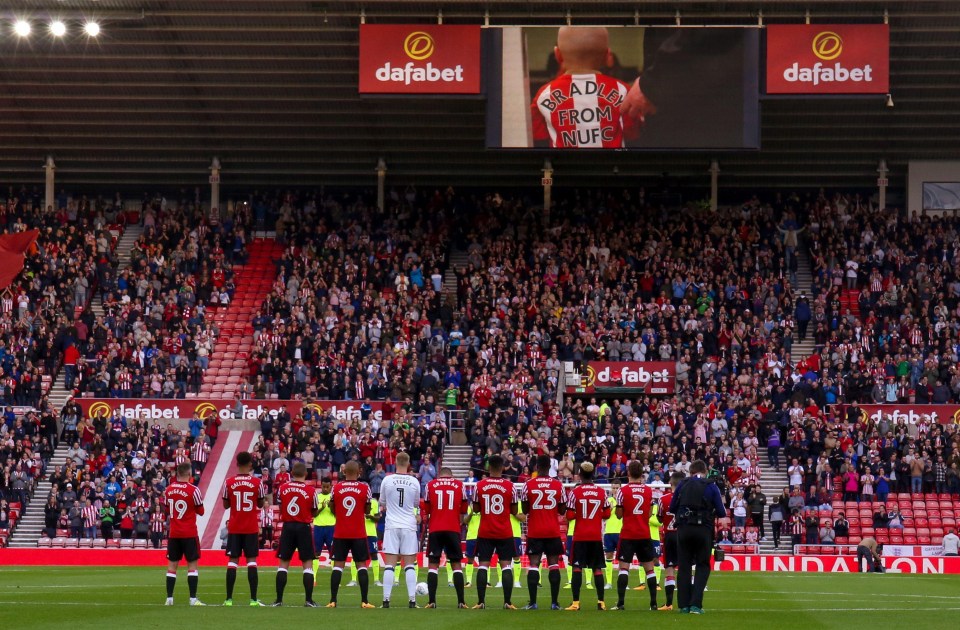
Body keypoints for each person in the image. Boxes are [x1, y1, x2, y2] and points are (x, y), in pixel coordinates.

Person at [531, 27, 642, 149]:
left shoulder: (544, 94)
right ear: (607, 56)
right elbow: (633, 135)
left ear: (557, 55)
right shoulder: (623, 91)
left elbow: (538, 139)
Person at [669, 459, 726, 615]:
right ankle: (695, 605)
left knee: (684, 566)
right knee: (702, 565)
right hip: (704, 530)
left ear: (691, 471)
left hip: (684, 529)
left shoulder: (682, 483)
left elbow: (672, 507)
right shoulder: (711, 485)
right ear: (705, 471)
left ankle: (683, 605)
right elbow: (722, 512)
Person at [472, 454, 520, 609]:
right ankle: (507, 602)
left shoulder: (479, 485)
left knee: (483, 566)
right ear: (503, 467)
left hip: (485, 530)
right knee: (506, 566)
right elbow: (514, 510)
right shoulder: (510, 486)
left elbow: (476, 509)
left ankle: (481, 602)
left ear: (488, 467)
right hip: (504, 531)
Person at [520, 454, 567, 610]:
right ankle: (554, 603)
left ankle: (533, 603)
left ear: (537, 467)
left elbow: (525, 509)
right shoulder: (558, 485)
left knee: (534, 565)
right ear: (550, 467)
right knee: (554, 565)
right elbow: (562, 509)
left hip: (535, 531)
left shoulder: (529, 484)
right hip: (552, 531)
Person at [327, 461, 375, 608]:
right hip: (358, 533)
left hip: (341, 532)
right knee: (361, 565)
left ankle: (333, 600)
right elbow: (367, 509)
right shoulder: (364, 488)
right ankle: (365, 601)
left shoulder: (336, 488)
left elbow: (332, 507)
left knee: (338, 566)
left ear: (344, 471)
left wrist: (341, 515)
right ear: (359, 472)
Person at [271, 462, 320, 607]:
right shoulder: (311, 491)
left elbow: (280, 506)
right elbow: (314, 511)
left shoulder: (283, 488)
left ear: (291, 473)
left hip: (288, 526)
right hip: (303, 527)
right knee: (307, 564)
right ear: (306, 474)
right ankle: (309, 600)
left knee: (283, 564)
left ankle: (279, 600)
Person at [222, 451, 268, 607]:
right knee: (252, 563)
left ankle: (228, 599)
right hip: (250, 527)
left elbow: (225, 505)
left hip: (234, 527)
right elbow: (261, 504)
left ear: (237, 464)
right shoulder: (257, 482)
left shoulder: (229, 482)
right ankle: (253, 600)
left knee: (232, 562)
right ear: (250, 464)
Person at [612, 460, 659, 611]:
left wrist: (623, 510)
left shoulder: (622, 491)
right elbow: (651, 512)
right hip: (644, 533)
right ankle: (653, 604)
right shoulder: (648, 490)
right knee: (649, 570)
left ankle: (620, 603)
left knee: (624, 568)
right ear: (641, 474)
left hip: (628, 534)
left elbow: (619, 515)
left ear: (629, 473)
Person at [564, 461, 611, 611]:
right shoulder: (601, 492)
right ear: (592, 475)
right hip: (595, 536)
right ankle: (601, 602)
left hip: (580, 536)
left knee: (577, 568)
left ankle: (576, 603)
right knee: (597, 569)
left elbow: (569, 515)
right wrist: (597, 515)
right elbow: (608, 513)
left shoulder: (574, 492)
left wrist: (580, 514)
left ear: (580, 475)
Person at [378, 452, 422, 608]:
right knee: (410, 564)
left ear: (395, 462)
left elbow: (382, 501)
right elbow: (416, 503)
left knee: (390, 564)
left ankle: (386, 601)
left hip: (392, 525)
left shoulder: (387, 480)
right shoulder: (414, 481)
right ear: (408, 463)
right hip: (409, 526)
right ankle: (412, 600)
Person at [422, 466, 470, 608]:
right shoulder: (459, 485)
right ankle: (461, 601)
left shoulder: (430, 485)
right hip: (453, 528)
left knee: (433, 565)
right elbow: (464, 508)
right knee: (456, 565)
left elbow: (427, 507)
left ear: (439, 475)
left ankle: (431, 602)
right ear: (451, 475)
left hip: (436, 528)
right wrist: (458, 520)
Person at [163, 462, 206, 606]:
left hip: (174, 533)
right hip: (189, 532)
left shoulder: (168, 490)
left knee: (172, 566)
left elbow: (167, 509)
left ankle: (169, 598)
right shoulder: (194, 490)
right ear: (189, 474)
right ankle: (193, 599)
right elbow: (201, 511)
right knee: (192, 566)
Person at [656, 472, 684, 610]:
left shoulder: (663, 499)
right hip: (684, 535)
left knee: (669, 569)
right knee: (685, 568)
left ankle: (668, 603)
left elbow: (659, 518)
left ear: (671, 484)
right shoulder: (687, 499)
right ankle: (688, 603)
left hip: (669, 536)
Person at [311, 478, 335, 581]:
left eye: (327, 487)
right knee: (316, 553)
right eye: (323, 486)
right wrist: (322, 507)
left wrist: (331, 507)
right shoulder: (317, 497)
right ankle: (314, 578)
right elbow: (314, 514)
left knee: (333, 554)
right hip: (318, 527)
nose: (325, 489)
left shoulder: (333, 497)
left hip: (331, 527)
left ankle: (335, 579)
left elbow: (336, 513)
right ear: (321, 486)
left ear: (331, 486)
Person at [603, 480, 622, 590]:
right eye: (613, 488)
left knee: (622, 559)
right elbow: (604, 517)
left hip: (621, 532)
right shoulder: (607, 500)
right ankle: (609, 582)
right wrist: (609, 509)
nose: (615, 490)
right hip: (609, 532)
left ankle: (623, 583)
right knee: (609, 557)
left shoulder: (623, 500)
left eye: (617, 488)